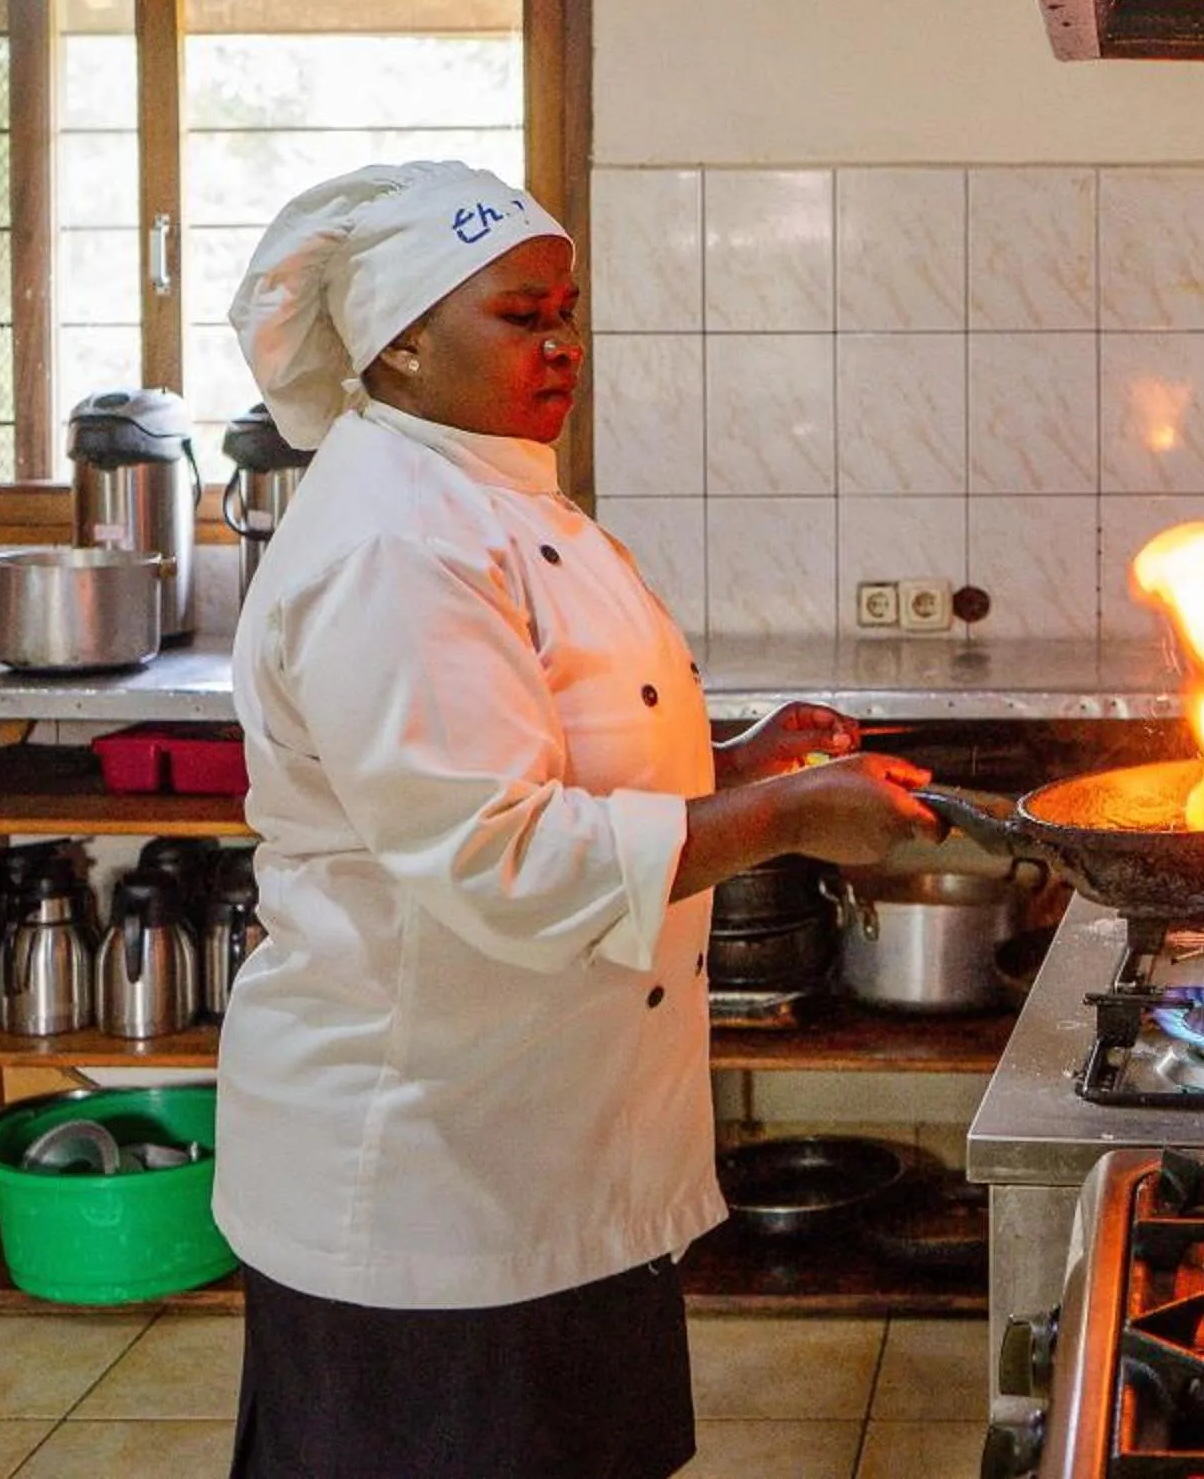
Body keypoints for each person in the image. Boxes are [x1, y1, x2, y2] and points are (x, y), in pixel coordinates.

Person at [216, 159, 936, 1479]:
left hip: (543, 1150)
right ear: (405, 338)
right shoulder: (395, 542)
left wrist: (730, 764)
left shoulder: (496, 494)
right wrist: (779, 818)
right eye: (521, 315)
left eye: (570, 309)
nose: (563, 343)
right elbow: (501, 857)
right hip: (429, 1173)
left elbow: (561, 755)